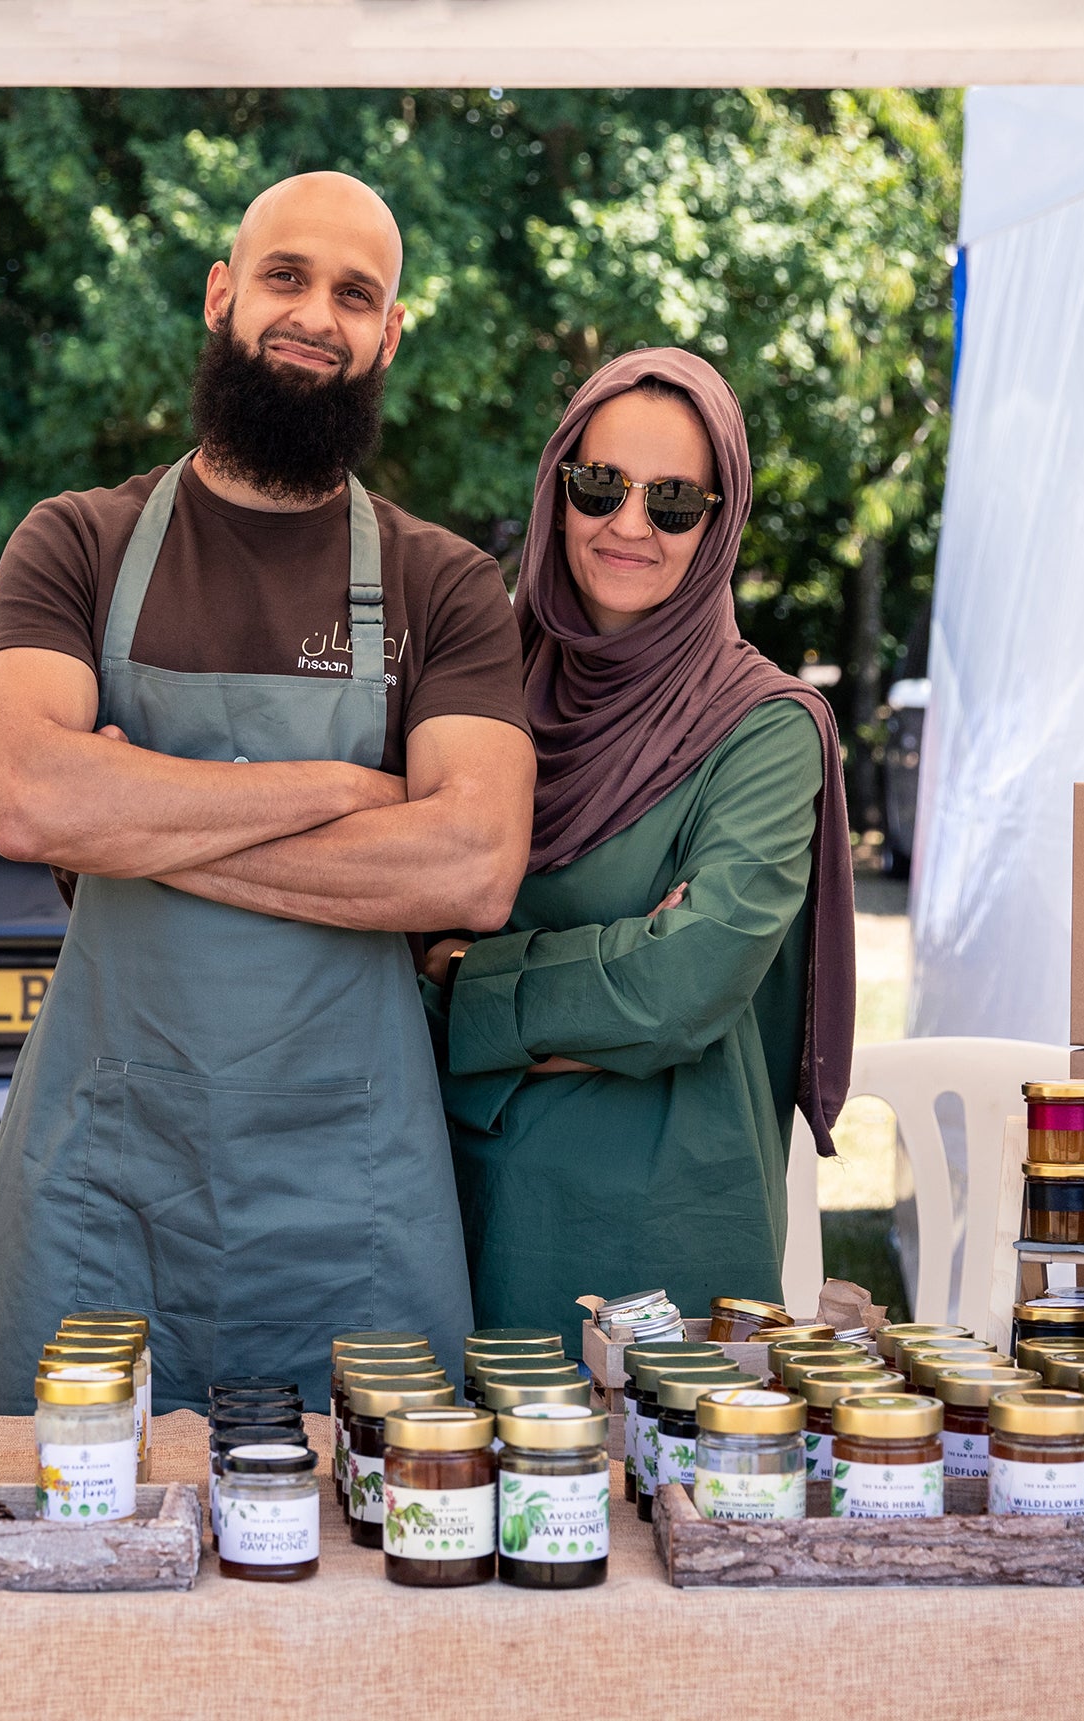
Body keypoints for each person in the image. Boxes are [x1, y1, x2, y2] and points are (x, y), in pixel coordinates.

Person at [0, 172, 534, 1411]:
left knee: (371, 1551)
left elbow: (472, 865)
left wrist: (134, 817)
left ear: (390, 332)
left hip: (354, 1188)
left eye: (354, 292)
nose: (315, 315)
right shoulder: (76, 542)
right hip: (106, 1176)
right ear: (223, 294)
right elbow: (26, 797)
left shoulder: (445, 585)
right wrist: (341, 786)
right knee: (69, 1542)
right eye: (285, 276)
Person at [419, 348, 856, 1337]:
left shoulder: (766, 728)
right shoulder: (474, 694)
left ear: (718, 521)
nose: (627, 525)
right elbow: (389, 950)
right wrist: (602, 978)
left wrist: (469, 978)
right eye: (599, 485)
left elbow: (680, 988)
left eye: (671, 502)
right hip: (452, 1204)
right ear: (555, 488)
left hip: (665, 1232)